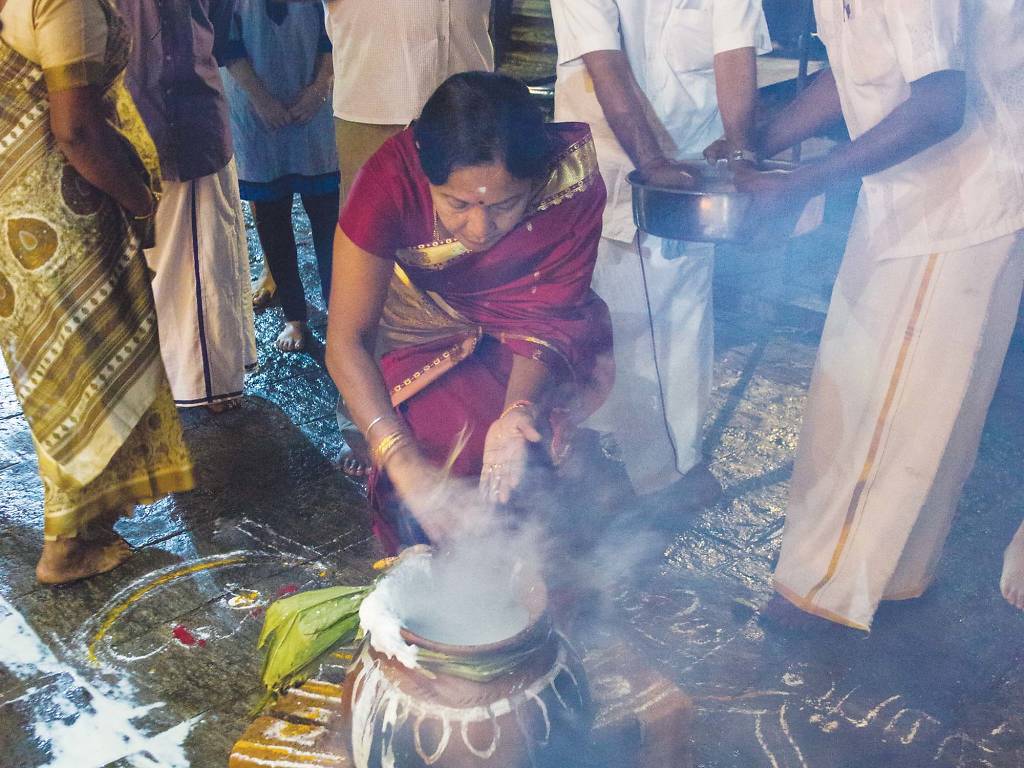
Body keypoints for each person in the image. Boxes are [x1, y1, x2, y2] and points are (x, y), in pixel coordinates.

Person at [741, 1, 1024, 631]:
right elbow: (855, 69)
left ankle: (827, 595)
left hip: (959, 198)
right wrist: (755, 143)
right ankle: (890, 578)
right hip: (908, 194)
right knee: (889, 393)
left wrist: (805, 180)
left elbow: (940, 104)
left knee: (892, 408)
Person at [325, 72, 611, 553]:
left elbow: (548, 317)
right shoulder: (388, 180)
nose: (479, 227)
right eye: (457, 204)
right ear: (424, 174)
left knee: (532, 455)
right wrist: (401, 459)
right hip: (419, 332)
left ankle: (536, 581)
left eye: (505, 205)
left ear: (534, 183)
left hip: (531, 341)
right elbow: (345, 341)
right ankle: (415, 577)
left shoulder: (568, 182)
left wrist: (518, 412)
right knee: (434, 453)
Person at [0, 0, 194, 583]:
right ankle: (65, 544)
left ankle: (87, 525)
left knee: (59, 372)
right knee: (86, 370)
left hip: (15, 209)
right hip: (62, 216)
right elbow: (78, 131)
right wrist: (139, 198)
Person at [549, 0, 770, 509]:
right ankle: (658, 473)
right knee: (614, 319)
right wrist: (650, 161)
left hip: (691, 167)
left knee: (678, 321)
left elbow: (734, 53)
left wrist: (740, 156)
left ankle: (655, 465)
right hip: (605, 156)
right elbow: (605, 65)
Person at [320, 0, 494, 474]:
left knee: (469, 253)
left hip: (469, 102)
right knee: (368, 264)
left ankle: (461, 400)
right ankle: (363, 422)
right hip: (375, 102)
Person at [118, 0, 258, 412]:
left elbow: (216, 18)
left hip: (183, 120)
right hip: (156, 120)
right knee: (191, 265)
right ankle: (202, 383)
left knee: (198, 260)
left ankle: (202, 379)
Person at [222, 0, 339, 352]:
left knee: (328, 220)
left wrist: (318, 89)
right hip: (253, 110)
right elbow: (226, 44)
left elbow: (334, 32)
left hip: (314, 108)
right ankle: (295, 318)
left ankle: (341, 313)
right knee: (272, 218)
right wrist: (261, 100)